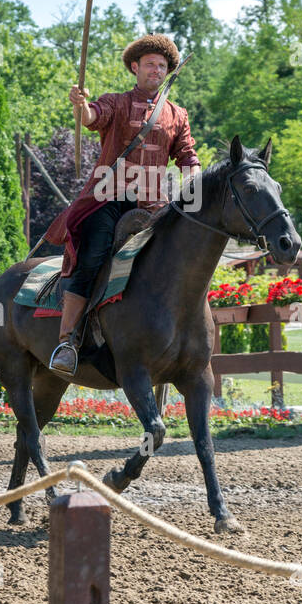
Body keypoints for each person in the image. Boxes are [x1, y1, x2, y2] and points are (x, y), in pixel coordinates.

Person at [44, 34, 200, 376]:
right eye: (149, 64)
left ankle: (177, 337)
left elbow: (187, 155)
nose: (155, 70)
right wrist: (80, 103)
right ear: (135, 67)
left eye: (161, 66)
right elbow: (91, 117)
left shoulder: (177, 114)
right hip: (108, 199)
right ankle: (68, 341)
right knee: (92, 258)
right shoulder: (116, 102)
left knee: (179, 262)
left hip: (154, 206)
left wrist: (195, 181)